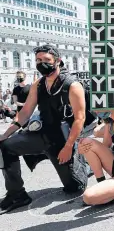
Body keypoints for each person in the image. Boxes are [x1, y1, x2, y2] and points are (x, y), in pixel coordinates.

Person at [0, 44, 90, 214]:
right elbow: (25, 112)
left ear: (58, 61)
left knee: (75, 187)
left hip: (63, 140)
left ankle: (86, 163)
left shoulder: (72, 85)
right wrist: (5, 134)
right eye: (38, 60)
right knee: (6, 146)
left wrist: (68, 147)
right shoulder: (38, 84)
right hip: (42, 135)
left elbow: (80, 118)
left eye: (46, 60)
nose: (41, 63)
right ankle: (17, 194)